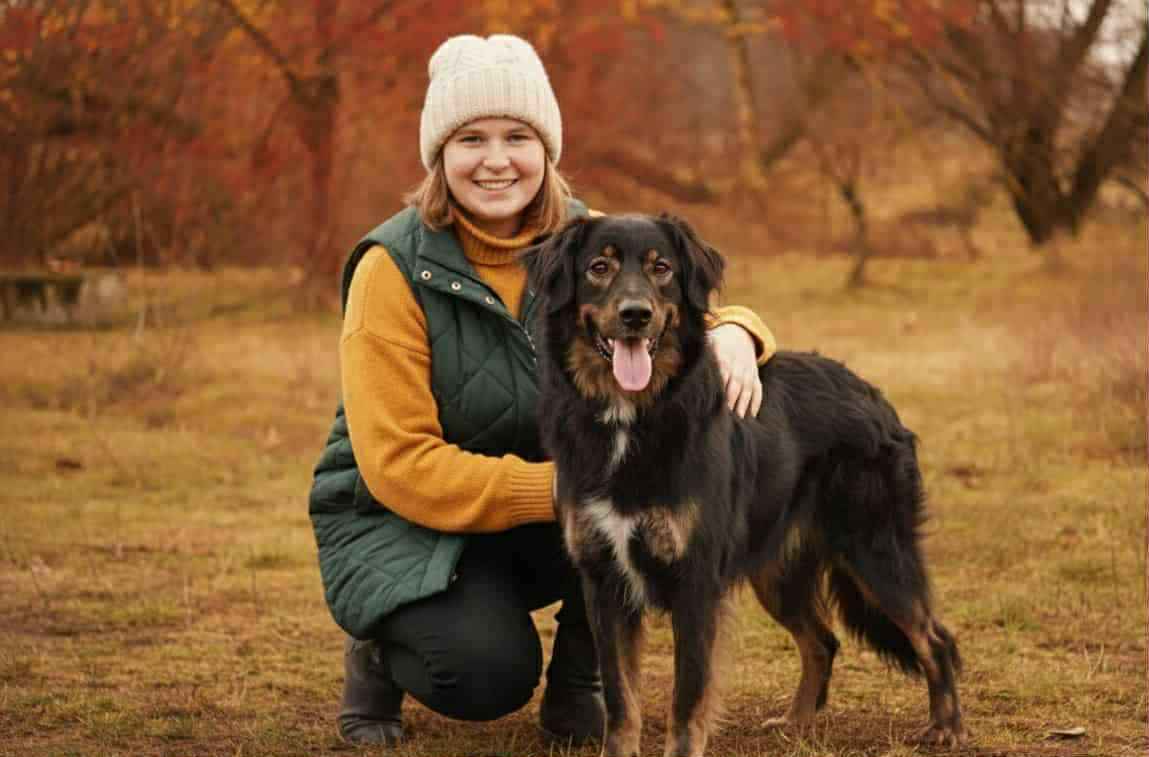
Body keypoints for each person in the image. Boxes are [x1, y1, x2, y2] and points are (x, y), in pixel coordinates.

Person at [308, 33, 777, 747]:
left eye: (518, 137)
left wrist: (740, 329)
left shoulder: (583, 240)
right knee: (483, 672)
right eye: (471, 138)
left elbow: (664, 291)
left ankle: (581, 678)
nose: (496, 160)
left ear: (547, 150)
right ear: (439, 154)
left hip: (545, 500)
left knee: (628, 510)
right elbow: (396, 465)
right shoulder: (391, 270)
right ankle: (380, 644)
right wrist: (566, 490)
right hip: (404, 524)